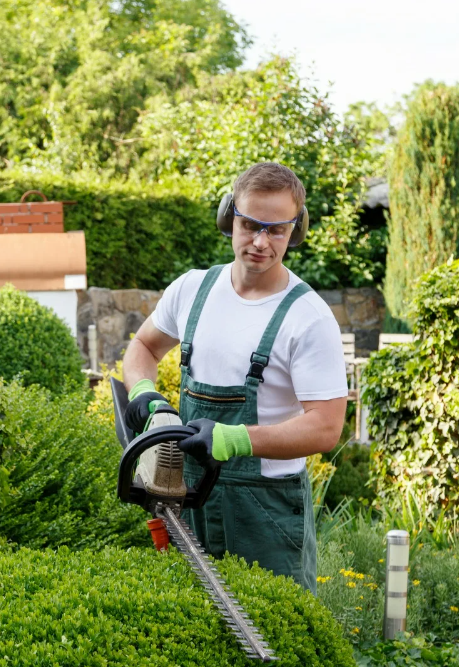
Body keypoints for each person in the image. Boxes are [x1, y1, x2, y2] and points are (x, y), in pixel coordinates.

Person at [120, 162, 348, 594]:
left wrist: (234, 439)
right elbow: (143, 348)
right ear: (230, 218)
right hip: (186, 496)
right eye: (250, 225)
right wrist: (146, 395)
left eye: (276, 230)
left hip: (265, 512)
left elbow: (326, 427)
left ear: (295, 231)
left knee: (277, 635)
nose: (260, 242)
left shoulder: (308, 316)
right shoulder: (192, 290)